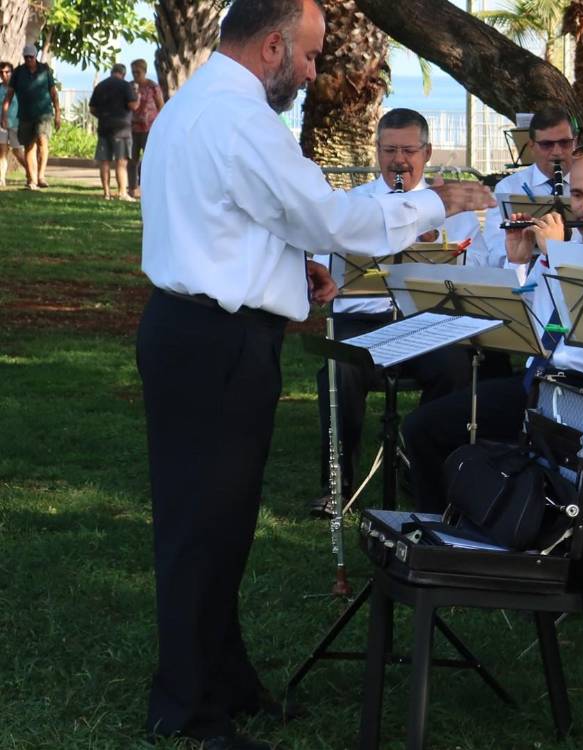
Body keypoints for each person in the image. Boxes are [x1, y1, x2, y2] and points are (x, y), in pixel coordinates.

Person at [136, 1, 494, 745]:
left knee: (218, 522)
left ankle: (223, 678)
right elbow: (331, 220)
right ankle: (188, 707)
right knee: (203, 526)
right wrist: (438, 201)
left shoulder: (195, 103)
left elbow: (227, 219)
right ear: (270, 46)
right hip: (216, 343)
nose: (309, 71)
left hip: (196, 332)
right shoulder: (241, 119)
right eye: (305, 56)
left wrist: (289, 273)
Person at [402, 144, 583, 511]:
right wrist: (519, 264)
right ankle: (441, 536)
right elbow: (528, 329)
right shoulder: (557, 251)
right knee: (424, 427)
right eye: (577, 195)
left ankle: (526, 528)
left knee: (544, 468)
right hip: (541, 384)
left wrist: (556, 255)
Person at [310, 107, 490, 516]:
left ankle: (421, 462)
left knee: (456, 370)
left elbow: (476, 274)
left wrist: (436, 245)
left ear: (427, 153)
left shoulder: (452, 208)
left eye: (409, 150)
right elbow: (322, 265)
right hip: (364, 319)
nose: (399, 160)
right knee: (340, 371)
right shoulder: (352, 205)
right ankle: (338, 484)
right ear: (376, 152)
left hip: (425, 322)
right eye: (389, 150)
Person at [482, 105, 577, 258]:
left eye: (565, 143)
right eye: (547, 145)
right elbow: (493, 250)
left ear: (575, 142)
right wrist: (521, 249)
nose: (557, 152)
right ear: (532, 146)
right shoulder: (508, 188)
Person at [2, 44, 60, 190]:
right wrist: (4, 114)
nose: (28, 60)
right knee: (29, 146)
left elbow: (53, 93)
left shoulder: (45, 71)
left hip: (44, 113)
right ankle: (32, 180)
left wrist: (57, 113)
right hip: (25, 115)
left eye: (31, 57)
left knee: (42, 141)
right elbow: (9, 95)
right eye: (26, 57)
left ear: (35, 56)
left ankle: (41, 176)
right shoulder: (19, 72)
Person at [89, 63, 139, 201]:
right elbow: (133, 105)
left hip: (104, 128)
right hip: (122, 129)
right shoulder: (125, 86)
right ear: (123, 73)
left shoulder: (101, 86)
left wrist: (103, 116)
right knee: (121, 162)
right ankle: (122, 192)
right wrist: (138, 97)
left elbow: (92, 109)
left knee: (104, 161)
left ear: (112, 72)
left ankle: (106, 193)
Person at [128, 58, 165, 198]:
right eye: (133, 72)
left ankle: (146, 184)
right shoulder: (130, 86)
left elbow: (160, 105)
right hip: (132, 128)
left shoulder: (152, 86)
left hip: (149, 128)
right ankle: (132, 187)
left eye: (138, 72)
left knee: (149, 159)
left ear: (144, 71)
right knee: (132, 159)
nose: (135, 75)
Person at [0, 61, 16, 186]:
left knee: (18, 151)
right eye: (1, 72)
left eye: (7, 72)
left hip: (16, 123)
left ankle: (31, 174)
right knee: (2, 151)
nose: (4, 75)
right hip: (2, 124)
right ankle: (2, 178)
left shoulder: (18, 88)